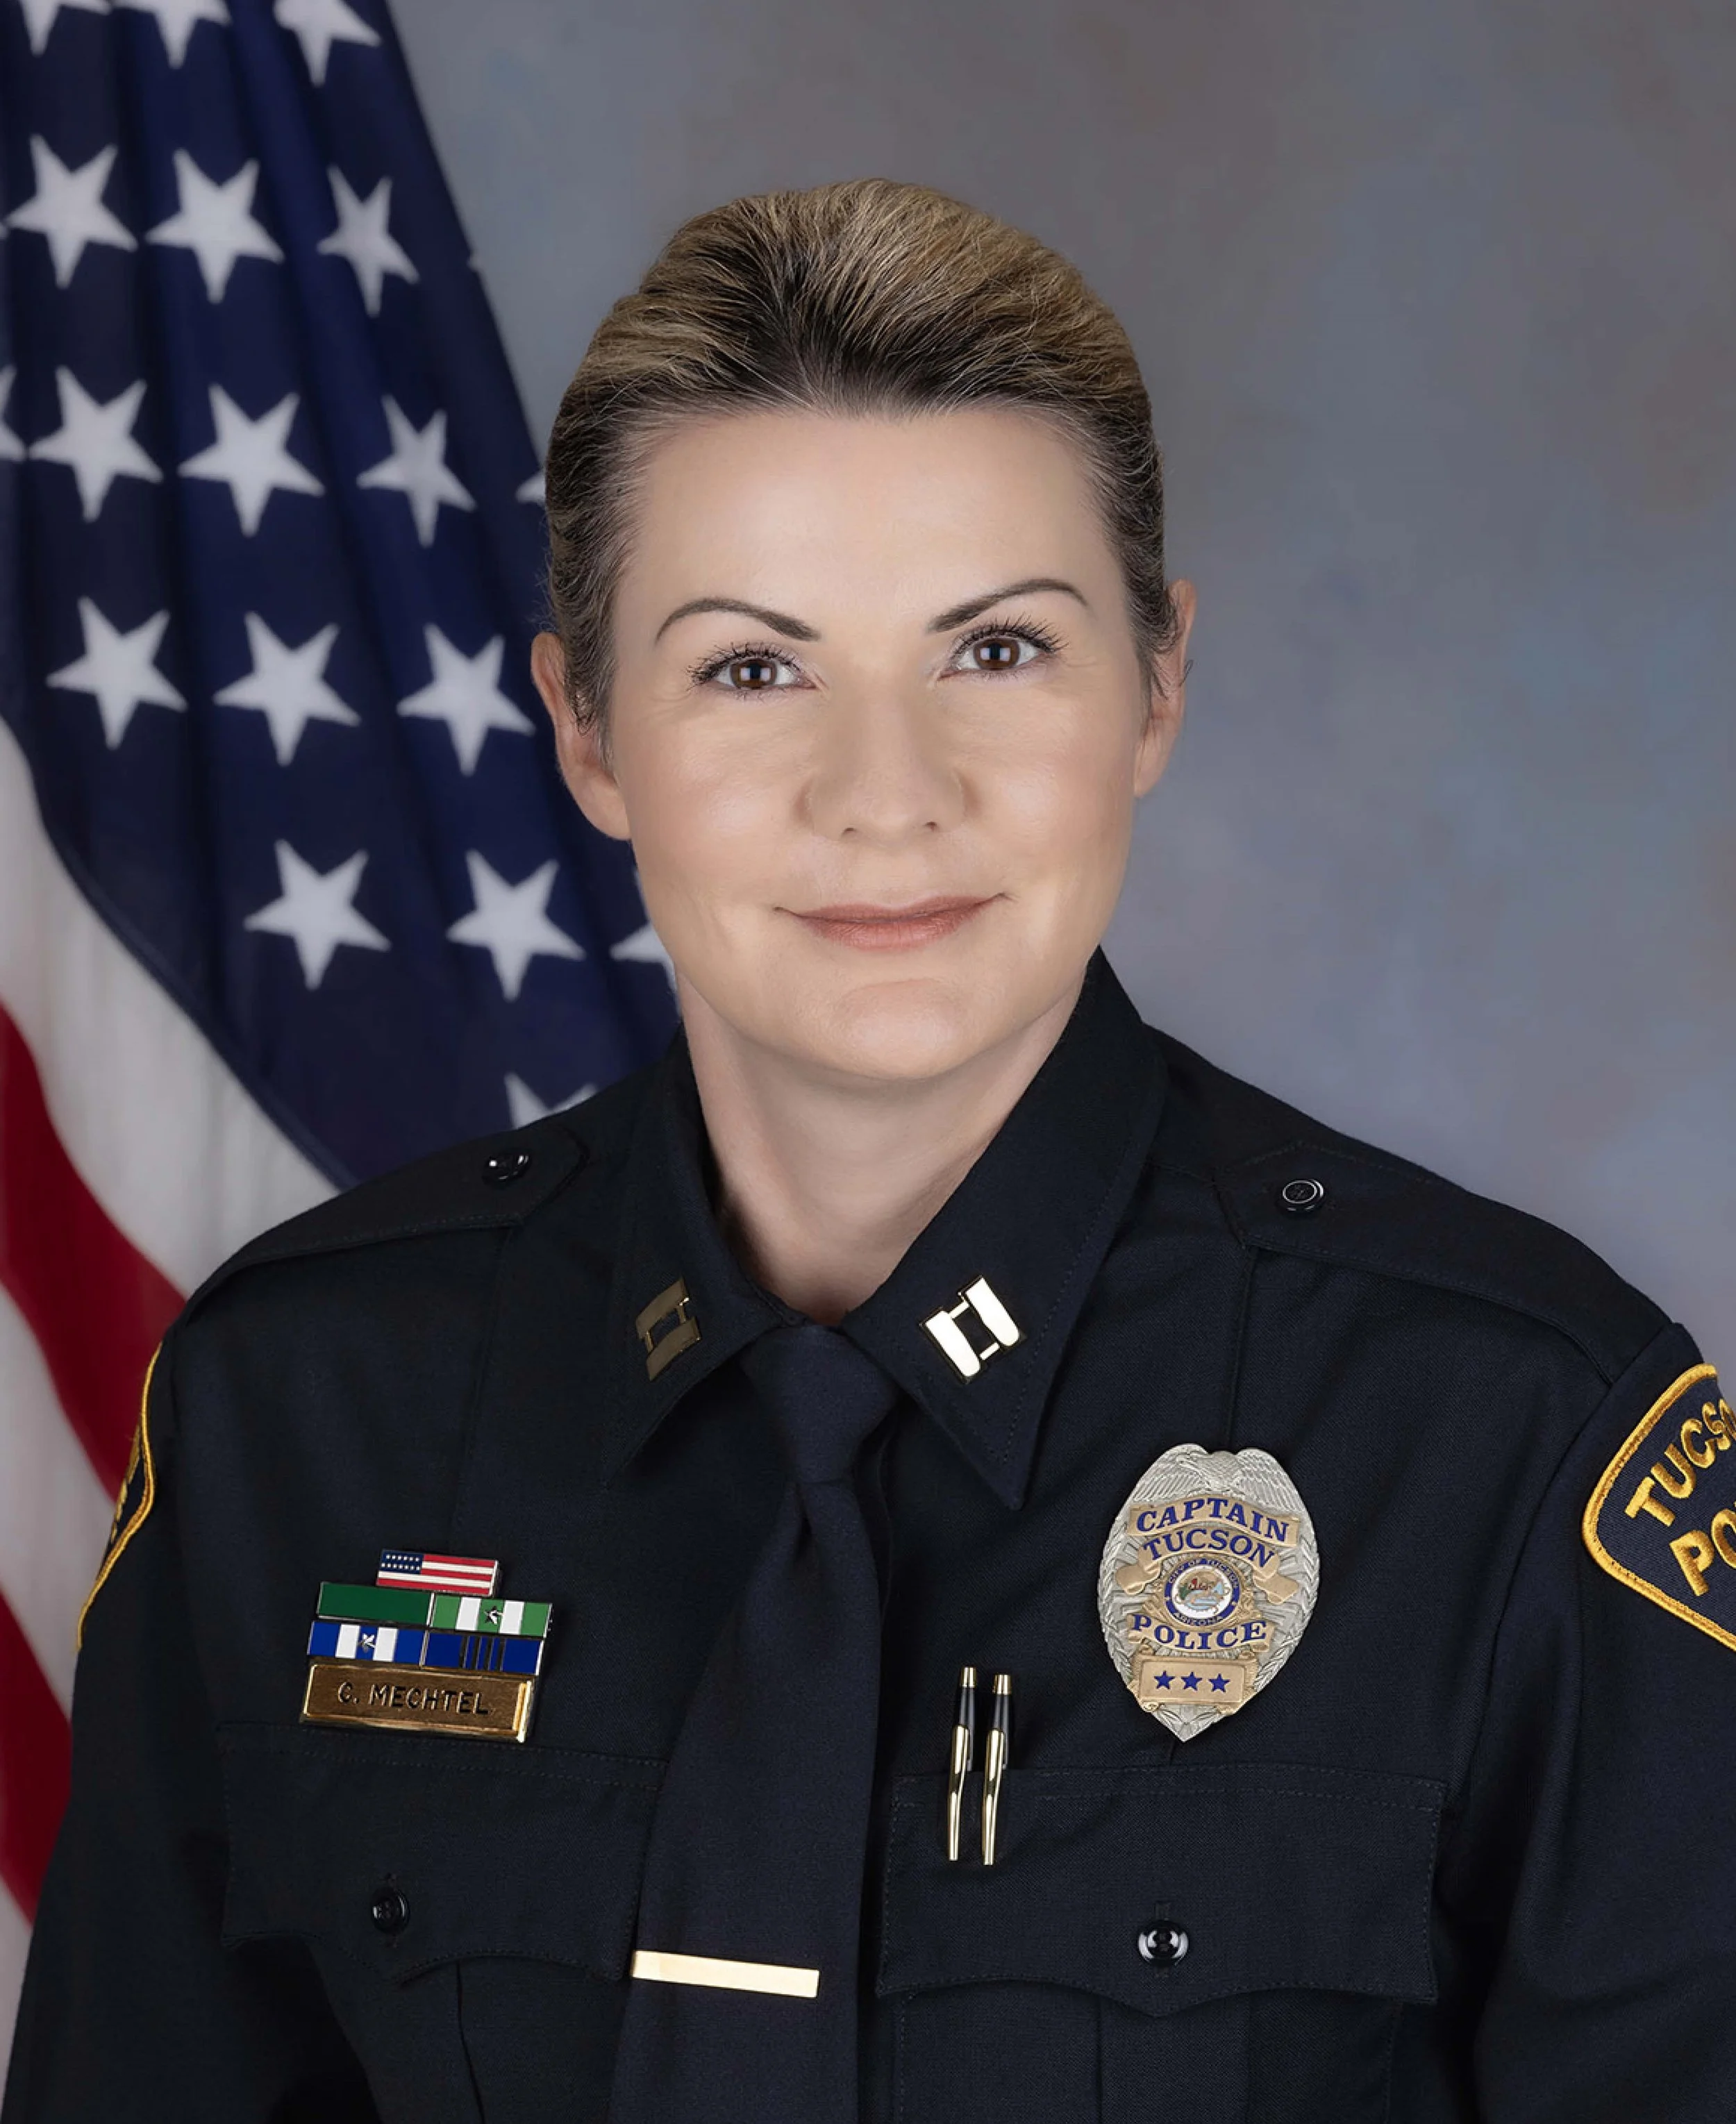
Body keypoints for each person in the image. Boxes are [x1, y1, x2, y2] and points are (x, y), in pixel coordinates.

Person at [3, 178, 1728, 2124]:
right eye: (753, 668)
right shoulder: (302, 1407)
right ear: (588, 732)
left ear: (1155, 688)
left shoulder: (1507, 1436)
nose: (884, 796)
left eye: (996, 651)